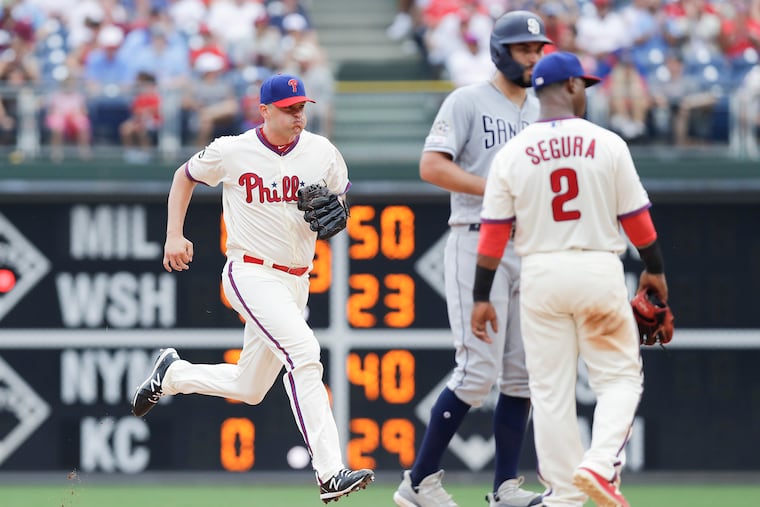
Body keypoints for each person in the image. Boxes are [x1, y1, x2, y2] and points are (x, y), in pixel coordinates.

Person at [131, 73, 375, 504]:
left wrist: (340, 211)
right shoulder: (232, 149)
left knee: (250, 387)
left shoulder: (323, 152)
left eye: (302, 107)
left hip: (298, 278)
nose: (298, 115)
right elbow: (183, 176)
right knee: (304, 354)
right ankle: (330, 471)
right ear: (264, 111)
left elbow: (341, 204)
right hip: (251, 272)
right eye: (289, 109)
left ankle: (173, 375)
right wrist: (174, 234)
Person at [471, 51, 669, 507]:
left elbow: (493, 237)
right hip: (596, 266)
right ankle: (599, 465)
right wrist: (655, 270)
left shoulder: (512, 152)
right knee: (620, 378)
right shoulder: (607, 142)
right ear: (573, 87)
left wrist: (482, 296)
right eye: (584, 85)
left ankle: (563, 496)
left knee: (549, 390)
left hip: (539, 274)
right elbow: (637, 221)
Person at [393, 11, 550, 507]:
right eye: (525, 49)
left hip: (528, 243)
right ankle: (418, 482)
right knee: (477, 371)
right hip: (477, 238)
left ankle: (505, 487)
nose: (533, 56)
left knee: (522, 372)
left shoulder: (542, 110)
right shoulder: (467, 100)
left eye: (537, 49)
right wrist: (496, 189)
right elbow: (430, 165)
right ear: (501, 51)